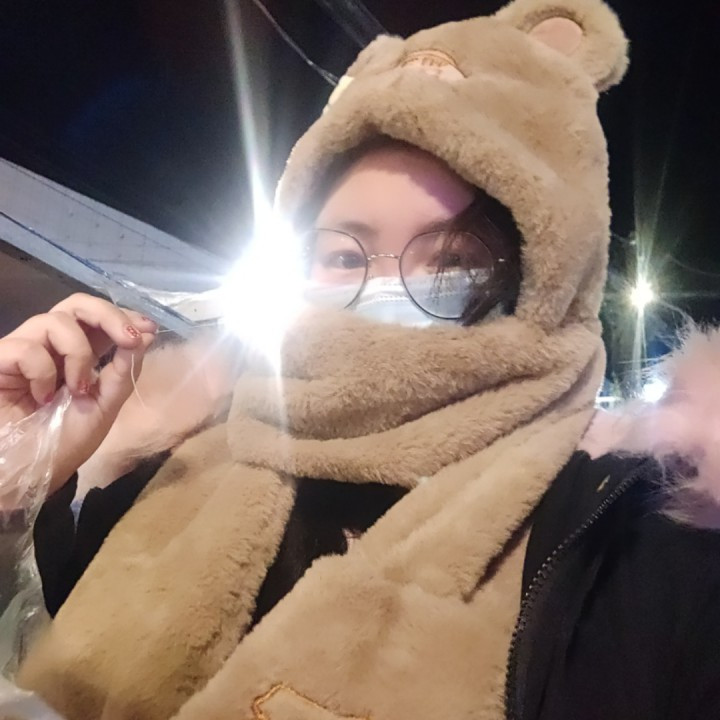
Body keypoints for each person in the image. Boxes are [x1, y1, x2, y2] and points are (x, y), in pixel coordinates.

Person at [3, 0, 720, 718]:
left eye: (452, 261)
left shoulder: (626, 552)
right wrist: (18, 473)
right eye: (344, 256)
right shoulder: (171, 473)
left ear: (548, 277)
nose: (386, 287)